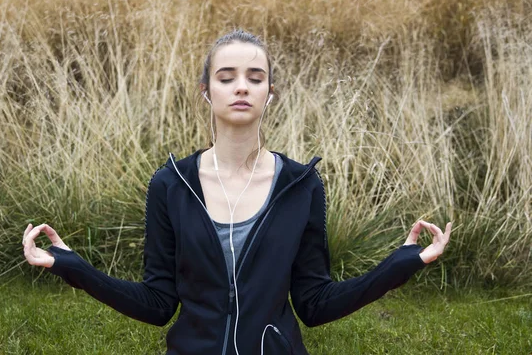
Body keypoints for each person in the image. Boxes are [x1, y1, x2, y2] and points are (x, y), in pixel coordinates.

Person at [22, 29, 452, 355]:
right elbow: (156, 303)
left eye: (255, 77)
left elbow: (315, 303)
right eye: (226, 78)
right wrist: (72, 266)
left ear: (270, 95)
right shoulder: (171, 184)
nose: (242, 86)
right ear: (207, 92)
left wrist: (401, 264)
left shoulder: (300, 186)